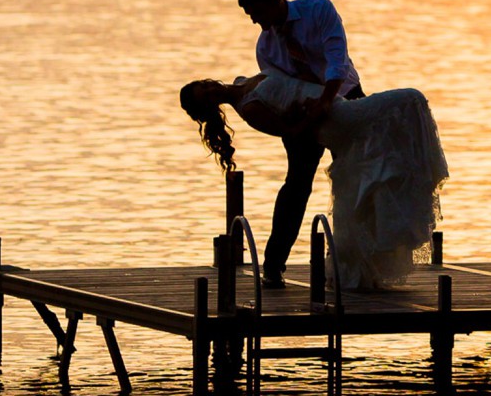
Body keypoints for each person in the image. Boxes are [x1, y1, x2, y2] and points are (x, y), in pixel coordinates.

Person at [179, 72, 448, 291]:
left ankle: (356, 262)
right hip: (335, 119)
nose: (212, 89)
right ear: (211, 106)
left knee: (369, 173)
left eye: (205, 85)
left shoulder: (241, 82)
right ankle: (275, 266)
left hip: (337, 103)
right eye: (208, 95)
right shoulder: (250, 109)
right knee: (412, 100)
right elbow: (293, 131)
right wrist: (311, 111)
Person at [238, 0, 362, 288]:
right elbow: (280, 86)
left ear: (273, 0)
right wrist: (296, 117)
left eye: (256, 13)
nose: (255, 22)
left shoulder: (319, 10)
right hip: (303, 112)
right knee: (297, 183)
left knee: (357, 177)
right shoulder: (266, 47)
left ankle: (358, 261)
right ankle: (273, 264)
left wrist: (326, 99)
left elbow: (337, 59)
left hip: (345, 96)